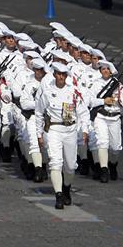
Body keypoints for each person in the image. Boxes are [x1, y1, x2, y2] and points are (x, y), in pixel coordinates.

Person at [36, 61, 89, 209]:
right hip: (54, 130)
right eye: (58, 74)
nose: (61, 77)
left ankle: (66, 188)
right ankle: (58, 194)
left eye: (63, 74)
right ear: (54, 75)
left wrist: (85, 130)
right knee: (55, 163)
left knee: (70, 166)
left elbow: (84, 112)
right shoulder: (47, 92)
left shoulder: (73, 92)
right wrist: (39, 134)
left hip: (70, 130)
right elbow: (39, 113)